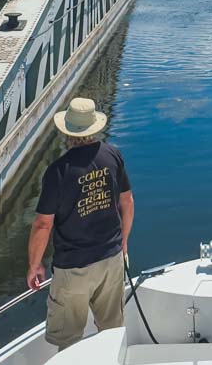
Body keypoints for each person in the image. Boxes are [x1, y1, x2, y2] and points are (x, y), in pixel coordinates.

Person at [26, 97, 134, 351]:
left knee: (68, 340)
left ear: (68, 133)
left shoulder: (58, 171)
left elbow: (43, 224)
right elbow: (127, 202)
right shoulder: (112, 156)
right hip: (111, 260)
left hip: (73, 267)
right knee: (111, 333)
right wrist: (124, 243)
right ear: (94, 127)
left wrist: (34, 266)